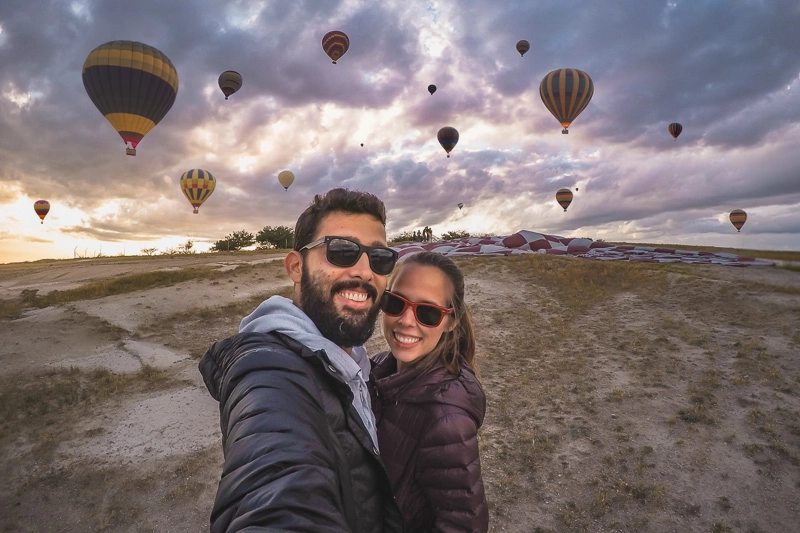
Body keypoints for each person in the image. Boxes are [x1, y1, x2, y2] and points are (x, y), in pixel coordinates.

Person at [199, 188, 404, 533]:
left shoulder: (353, 362)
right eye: (342, 251)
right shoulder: (270, 372)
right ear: (296, 266)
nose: (365, 272)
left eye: (380, 258)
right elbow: (274, 481)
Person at [370, 251, 489, 532]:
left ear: (451, 321)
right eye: (396, 303)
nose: (407, 320)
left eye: (428, 312)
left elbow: (464, 524)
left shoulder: (446, 418)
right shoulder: (374, 368)